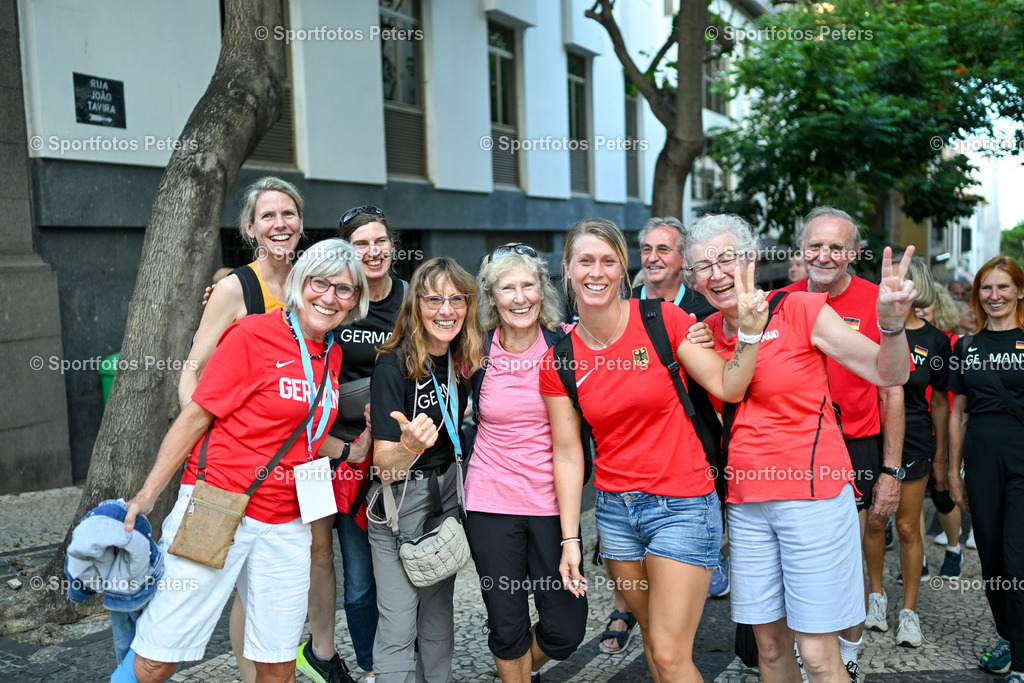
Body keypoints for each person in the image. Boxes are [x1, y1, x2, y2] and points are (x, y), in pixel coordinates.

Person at [121, 239, 370, 683]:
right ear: (299, 283)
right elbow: (197, 415)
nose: (329, 297)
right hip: (217, 505)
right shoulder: (254, 334)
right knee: (158, 658)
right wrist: (147, 494)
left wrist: (356, 448)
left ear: (355, 302)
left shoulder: (331, 355)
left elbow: (302, 434)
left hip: (287, 523)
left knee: (277, 665)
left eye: (344, 289)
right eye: (320, 283)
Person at [685, 214, 913, 683]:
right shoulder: (705, 332)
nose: (717, 273)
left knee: (815, 651)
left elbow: (887, 373)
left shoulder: (799, 308)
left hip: (813, 498)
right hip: (747, 504)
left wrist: (890, 327)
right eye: (703, 265)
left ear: (750, 259)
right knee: (768, 647)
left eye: (727, 258)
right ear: (692, 278)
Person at [540, 218, 769, 682]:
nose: (596, 272)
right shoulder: (558, 358)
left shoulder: (660, 318)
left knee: (668, 651)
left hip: (682, 505)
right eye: (585, 260)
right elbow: (567, 454)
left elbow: (729, 386)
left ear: (624, 270)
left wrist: (748, 335)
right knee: (653, 642)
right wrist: (570, 540)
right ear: (567, 268)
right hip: (615, 514)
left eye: (608, 261)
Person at [179, 177, 371, 683]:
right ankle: (252, 674)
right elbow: (194, 371)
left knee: (317, 552)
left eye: (289, 214)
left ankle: (318, 654)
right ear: (250, 228)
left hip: (307, 459)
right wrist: (212, 440)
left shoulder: (318, 279)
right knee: (250, 577)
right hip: (246, 464)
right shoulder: (234, 287)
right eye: (268, 216)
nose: (280, 224)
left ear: (301, 223)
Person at [784, 206, 905, 678]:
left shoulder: (877, 301)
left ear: (855, 252)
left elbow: (892, 390)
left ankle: (847, 655)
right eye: (816, 245)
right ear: (800, 249)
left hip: (855, 447)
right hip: (793, 450)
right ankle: (805, 650)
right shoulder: (778, 299)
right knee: (797, 557)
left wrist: (891, 472)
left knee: (844, 559)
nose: (825, 255)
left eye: (837, 247)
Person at [465, 243, 587, 682]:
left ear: (543, 289)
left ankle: (515, 671)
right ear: (491, 297)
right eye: (507, 288)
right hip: (490, 503)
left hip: (554, 505)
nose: (519, 298)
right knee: (507, 621)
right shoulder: (474, 351)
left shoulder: (568, 343)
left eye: (528, 285)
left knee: (565, 628)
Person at [297, 205, 407, 683]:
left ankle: (407, 656)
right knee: (353, 570)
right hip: (332, 454)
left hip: (394, 453)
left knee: (404, 566)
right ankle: (370, 665)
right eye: (361, 244)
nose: (373, 251)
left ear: (392, 244)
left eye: (380, 241)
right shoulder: (336, 299)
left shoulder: (409, 298)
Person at [366, 257, 484, 683]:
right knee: (399, 624)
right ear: (416, 304)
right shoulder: (392, 365)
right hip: (401, 505)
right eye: (434, 299)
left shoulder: (459, 360)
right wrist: (408, 446)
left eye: (456, 299)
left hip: (447, 500)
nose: (446, 310)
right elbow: (382, 464)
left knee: (438, 618)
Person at [862, 256, 949, 647]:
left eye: (903, 279)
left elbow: (943, 403)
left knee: (909, 527)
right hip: (871, 433)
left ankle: (909, 612)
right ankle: (875, 598)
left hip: (914, 438)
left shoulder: (935, 340)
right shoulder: (868, 329)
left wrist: (943, 457)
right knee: (874, 523)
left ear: (917, 286)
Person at [947, 256, 1024, 681]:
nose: (995, 296)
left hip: (1021, 459)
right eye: (986, 288)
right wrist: (952, 471)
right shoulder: (965, 347)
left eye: (1003, 287)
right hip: (980, 461)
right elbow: (957, 414)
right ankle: (1009, 637)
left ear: (1019, 291)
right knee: (992, 559)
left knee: (1016, 559)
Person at [632, 216, 716, 320]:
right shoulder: (622, 304)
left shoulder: (706, 310)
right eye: (647, 250)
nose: (652, 258)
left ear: (684, 259)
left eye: (663, 249)